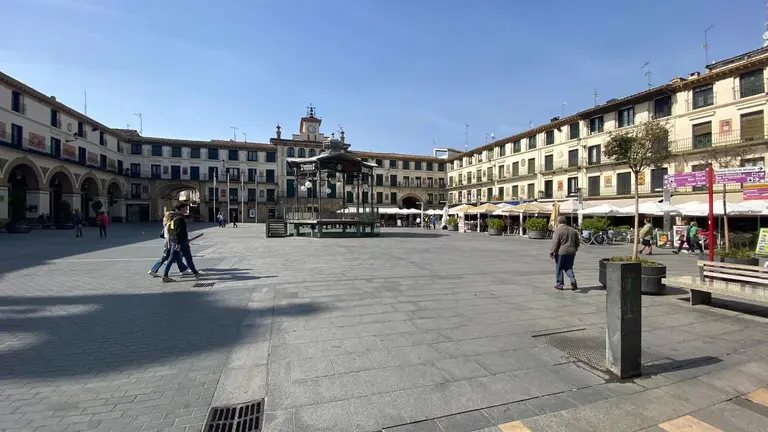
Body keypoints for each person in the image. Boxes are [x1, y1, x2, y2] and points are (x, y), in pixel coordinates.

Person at [162, 203, 203, 282]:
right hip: (181, 243)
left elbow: (174, 231)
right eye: (185, 208)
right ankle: (165, 276)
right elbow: (178, 232)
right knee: (186, 258)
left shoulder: (174, 218)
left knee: (177, 258)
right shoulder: (180, 218)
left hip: (178, 242)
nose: (187, 210)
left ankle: (195, 272)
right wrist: (178, 243)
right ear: (181, 209)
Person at [148, 211, 190, 277]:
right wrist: (169, 245)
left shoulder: (166, 223)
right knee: (166, 257)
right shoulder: (170, 224)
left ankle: (183, 270)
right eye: (173, 215)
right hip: (170, 242)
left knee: (177, 256)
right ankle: (153, 270)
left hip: (168, 241)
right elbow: (169, 235)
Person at [549, 215, 580, 291]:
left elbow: (555, 242)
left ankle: (560, 285)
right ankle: (573, 280)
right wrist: (575, 248)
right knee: (568, 267)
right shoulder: (573, 230)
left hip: (561, 252)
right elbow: (577, 241)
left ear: (558, 222)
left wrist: (552, 251)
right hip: (571, 252)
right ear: (565, 222)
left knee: (559, 268)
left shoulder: (558, 230)